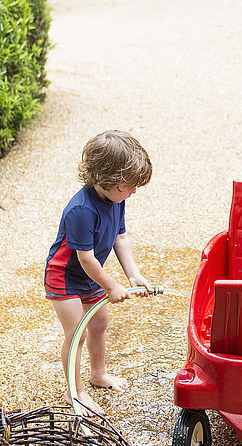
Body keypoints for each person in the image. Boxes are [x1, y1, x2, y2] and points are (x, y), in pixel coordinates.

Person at [44, 130, 153, 416]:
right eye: (129, 186)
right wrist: (112, 285)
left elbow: (120, 238)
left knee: (100, 322)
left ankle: (98, 374)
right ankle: (76, 393)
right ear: (107, 179)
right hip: (65, 276)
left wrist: (132, 275)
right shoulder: (81, 210)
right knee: (76, 333)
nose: (133, 191)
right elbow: (87, 258)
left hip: (89, 275)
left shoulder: (117, 199)